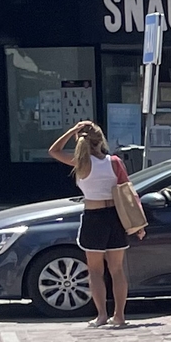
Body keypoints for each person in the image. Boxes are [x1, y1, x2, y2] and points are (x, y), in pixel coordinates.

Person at [49, 120, 146, 328]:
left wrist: (72, 131)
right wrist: (138, 224)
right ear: (100, 139)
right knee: (117, 269)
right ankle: (119, 316)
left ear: (80, 140)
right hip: (115, 216)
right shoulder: (114, 162)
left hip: (93, 217)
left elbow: (54, 150)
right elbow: (129, 193)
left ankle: (101, 315)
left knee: (95, 270)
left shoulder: (81, 162)